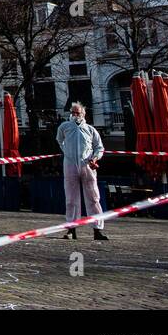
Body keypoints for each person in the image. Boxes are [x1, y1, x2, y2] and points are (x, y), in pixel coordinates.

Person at [57, 102, 108, 241]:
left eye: (77, 113)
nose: (74, 115)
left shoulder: (91, 130)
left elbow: (99, 147)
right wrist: (67, 153)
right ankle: (71, 229)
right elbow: (59, 140)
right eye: (72, 112)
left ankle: (97, 230)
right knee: (71, 198)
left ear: (83, 114)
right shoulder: (64, 127)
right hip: (70, 165)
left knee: (93, 198)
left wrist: (95, 158)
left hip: (87, 165)